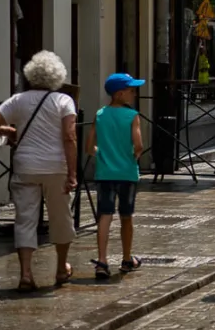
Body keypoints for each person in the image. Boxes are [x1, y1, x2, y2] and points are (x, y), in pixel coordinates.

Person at [0, 50, 78, 292]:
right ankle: (61, 268)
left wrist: (8, 132)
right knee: (61, 218)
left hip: (26, 166)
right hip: (56, 167)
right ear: (57, 76)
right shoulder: (64, 101)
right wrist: (72, 173)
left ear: (30, 74)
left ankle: (26, 274)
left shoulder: (18, 100)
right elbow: (69, 137)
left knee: (25, 220)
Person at [88, 73, 146, 279]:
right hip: (127, 173)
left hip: (104, 173)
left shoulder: (100, 114)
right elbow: (138, 145)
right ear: (119, 94)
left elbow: (89, 147)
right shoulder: (132, 116)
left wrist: (102, 154)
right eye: (131, 90)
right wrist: (132, 155)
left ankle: (102, 260)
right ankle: (127, 258)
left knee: (104, 216)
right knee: (126, 216)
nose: (134, 93)